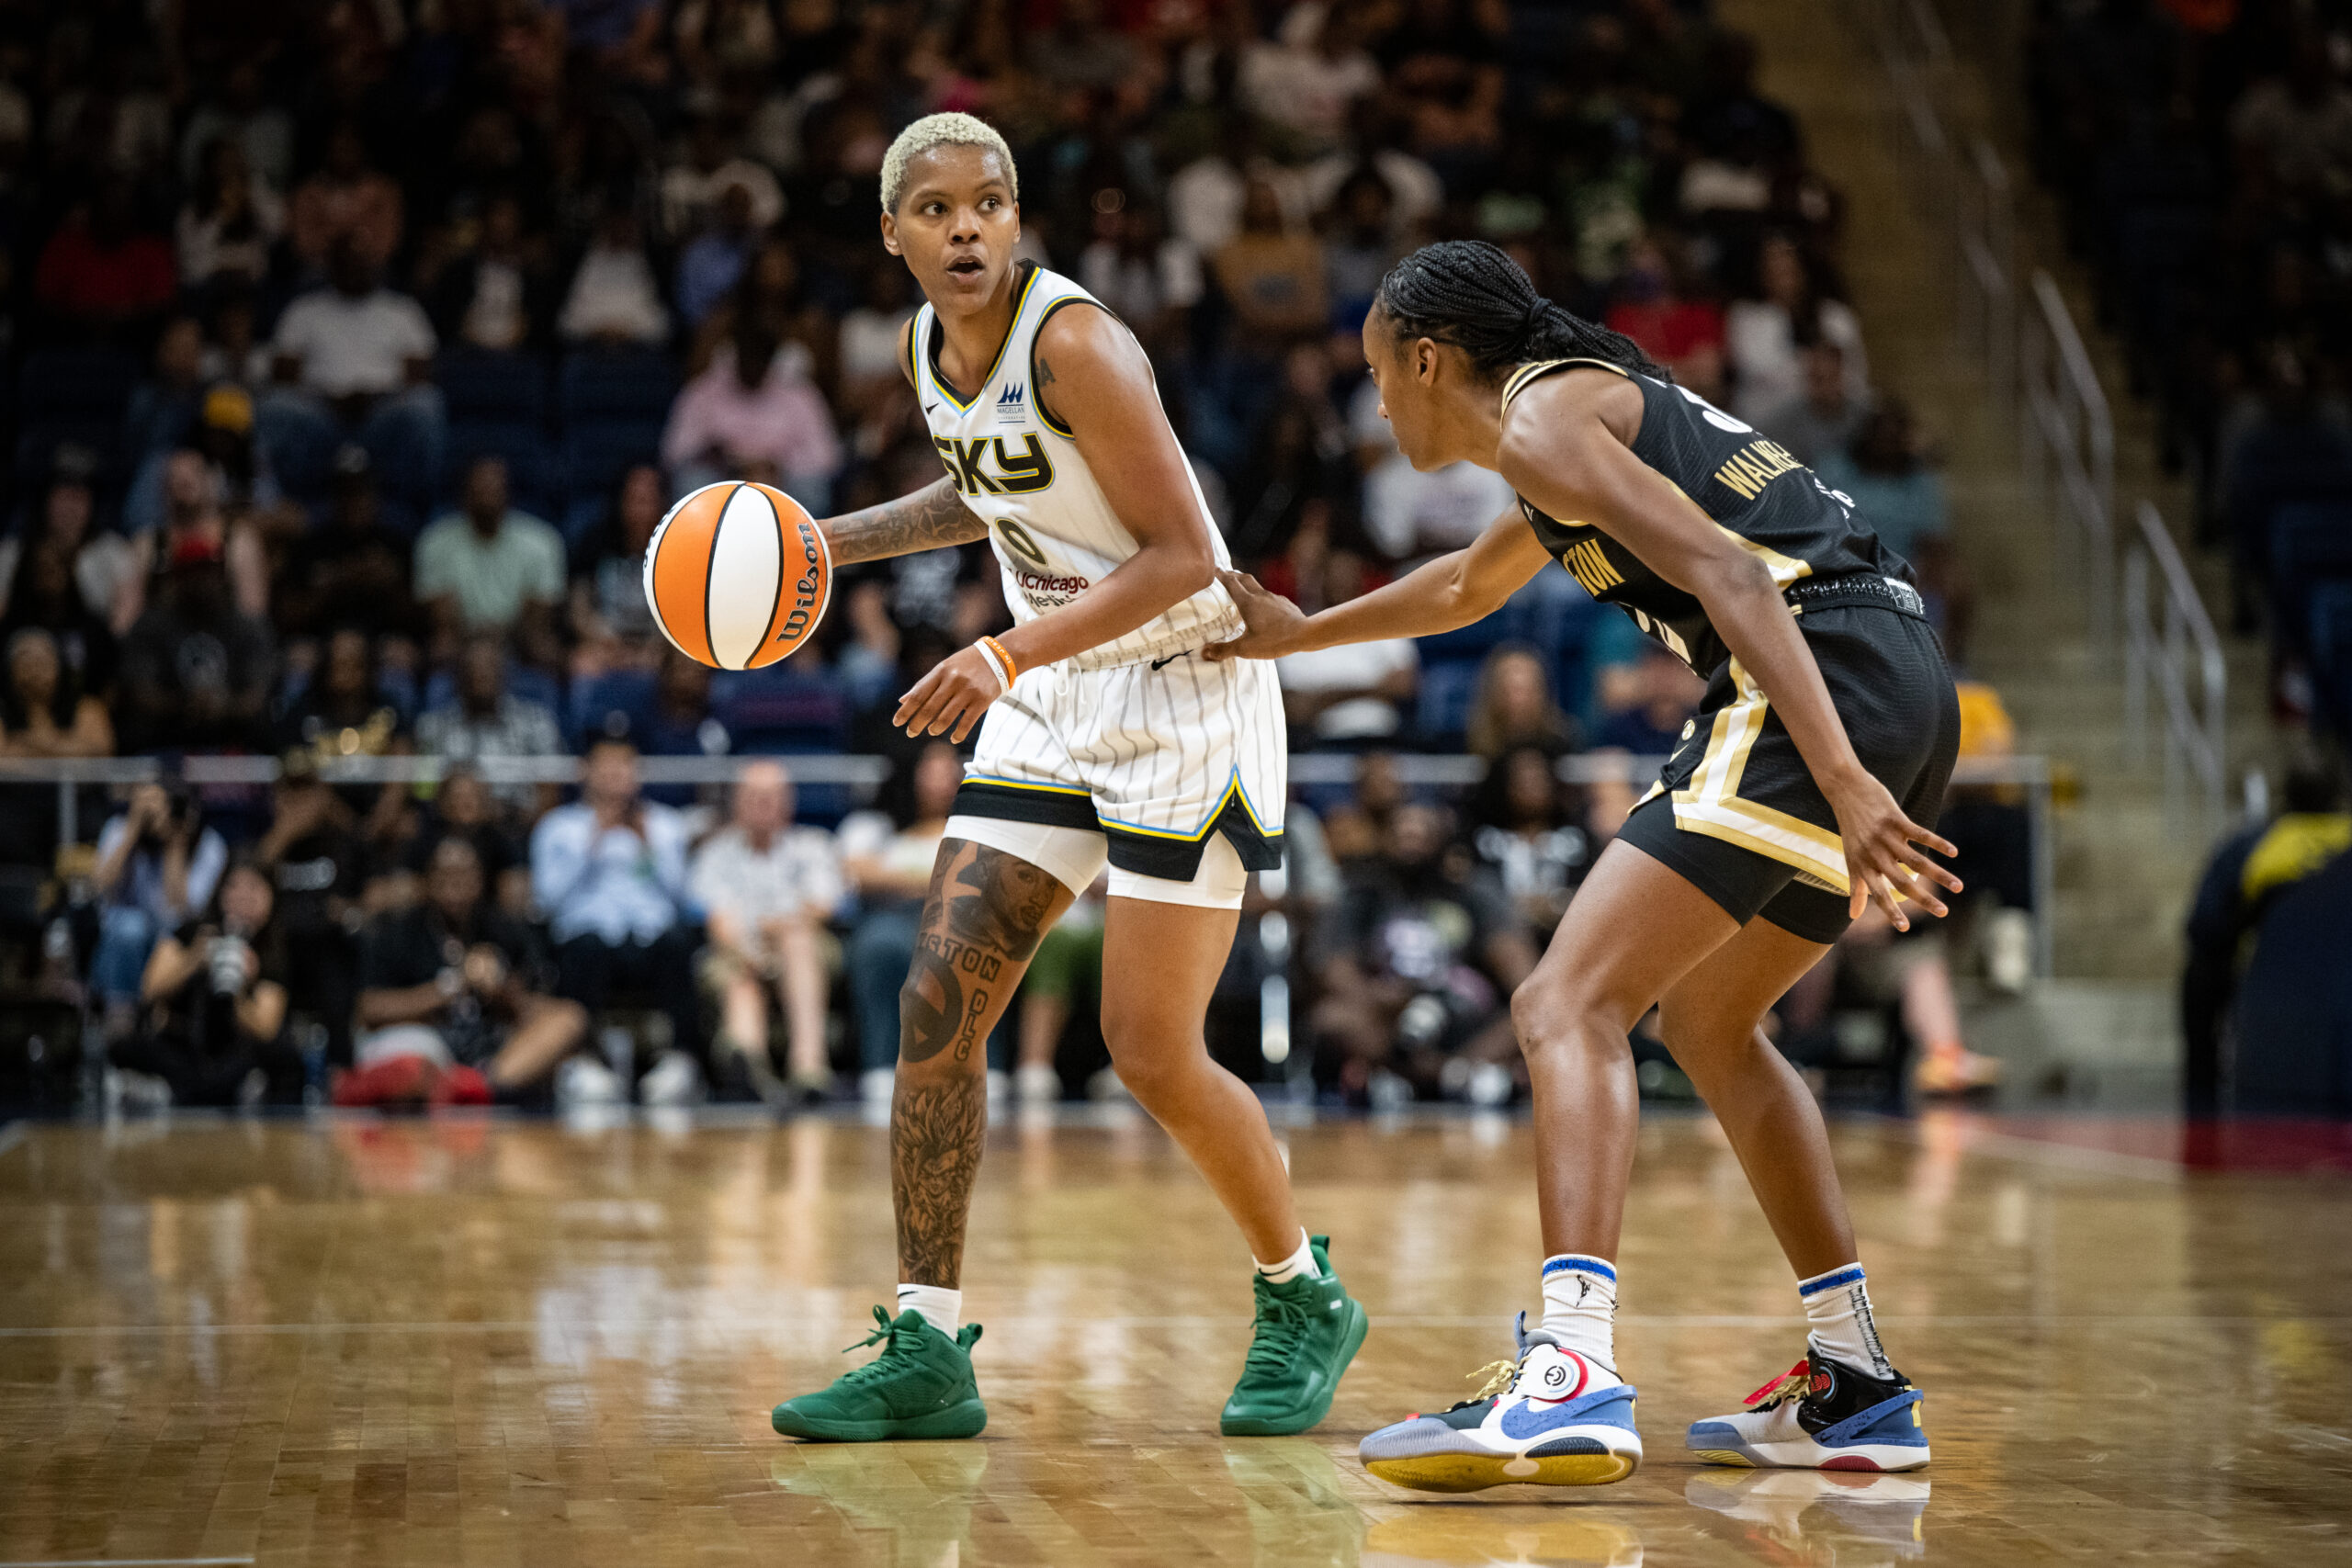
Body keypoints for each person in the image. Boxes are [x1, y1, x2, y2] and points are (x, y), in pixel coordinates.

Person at [1212, 240, 1961, 1486]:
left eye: (1379, 373)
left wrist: (1839, 776)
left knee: (1564, 1001)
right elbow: (1461, 584)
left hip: (1817, 686)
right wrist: (1295, 636)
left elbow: (1729, 571)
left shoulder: (1549, 420)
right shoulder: (1564, 428)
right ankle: (1857, 1377)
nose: (1376, 401)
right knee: (1713, 1024)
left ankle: (1571, 1368)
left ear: (1431, 357)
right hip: (1892, 674)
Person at [769, 114, 1364, 1448]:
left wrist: (998, 646)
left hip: (1183, 687)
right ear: (895, 233)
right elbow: (990, 492)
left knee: (1150, 1048)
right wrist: (826, 542)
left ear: (1018, 218)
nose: (966, 226)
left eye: (989, 203)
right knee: (937, 995)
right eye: (936, 209)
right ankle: (926, 1341)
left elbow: (1181, 560)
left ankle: (1303, 1292)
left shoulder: (1077, 341)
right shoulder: (935, 349)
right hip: (1055, 689)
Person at [350, 835, 589, 1103]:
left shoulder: (500, 927)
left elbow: (527, 1006)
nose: (455, 887)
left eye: (465, 876)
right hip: (423, 1040)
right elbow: (369, 1009)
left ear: (480, 881)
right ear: (428, 880)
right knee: (413, 1064)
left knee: (568, 1017)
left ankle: (478, 1087)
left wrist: (498, 987)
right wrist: (449, 988)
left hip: (489, 1050)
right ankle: (453, 1088)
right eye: (446, 876)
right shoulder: (399, 931)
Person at [529, 737, 702, 1105]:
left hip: (649, 937)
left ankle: (680, 1062)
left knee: (678, 944)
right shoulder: (559, 827)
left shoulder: (665, 824)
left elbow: (682, 899)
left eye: (623, 766)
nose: (614, 776)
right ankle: (583, 1063)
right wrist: (591, 846)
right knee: (584, 948)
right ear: (585, 772)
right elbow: (546, 901)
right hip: (586, 937)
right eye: (605, 767)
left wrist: (648, 846)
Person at [2180, 757, 2350, 1114]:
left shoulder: (2252, 847)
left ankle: (2201, 1109)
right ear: (2339, 797)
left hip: (2275, 989)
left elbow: (2204, 927)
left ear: (2284, 797)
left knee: (2199, 977)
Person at [691, 761, 843, 1103]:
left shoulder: (813, 845)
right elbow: (718, 922)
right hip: (736, 950)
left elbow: (822, 907)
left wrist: (776, 931)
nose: (762, 804)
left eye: (771, 796)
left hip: (806, 947)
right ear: (736, 802)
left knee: (798, 942)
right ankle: (748, 1067)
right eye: (753, 796)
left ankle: (808, 1065)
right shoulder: (716, 854)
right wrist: (752, 953)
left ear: (788, 802)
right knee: (740, 976)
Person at [113, 859, 300, 1107]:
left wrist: (240, 986)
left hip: (234, 1051)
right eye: (233, 886)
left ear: (271, 895)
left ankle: (176, 1091)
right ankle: (192, 1089)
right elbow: (149, 990)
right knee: (125, 1046)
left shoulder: (272, 951)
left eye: (254, 887)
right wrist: (193, 961)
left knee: (280, 1057)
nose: (243, 896)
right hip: (183, 1046)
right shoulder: (194, 933)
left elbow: (266, 1029)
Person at [413, 455, 567, 663]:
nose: (487, 498)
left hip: (520, 640)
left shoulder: (542, 540)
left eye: (494, 490)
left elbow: (538, 620)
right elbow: (443, 622)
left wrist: (499, 635)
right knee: (441, 647)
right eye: (479, 490)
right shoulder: (435, 541)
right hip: (461, 641)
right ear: (463, 495)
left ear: (510, 495)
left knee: (545, 648)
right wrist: (478, 637)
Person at [0, 627, 113, 758]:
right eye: (26, 662)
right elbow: (4, 760)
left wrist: (27, 742)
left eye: (43, 662)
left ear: (60, 667)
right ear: (9, 670)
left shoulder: (87, 707)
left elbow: (100, 752)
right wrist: (63, 747)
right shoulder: (2, 711)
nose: (35, 671)